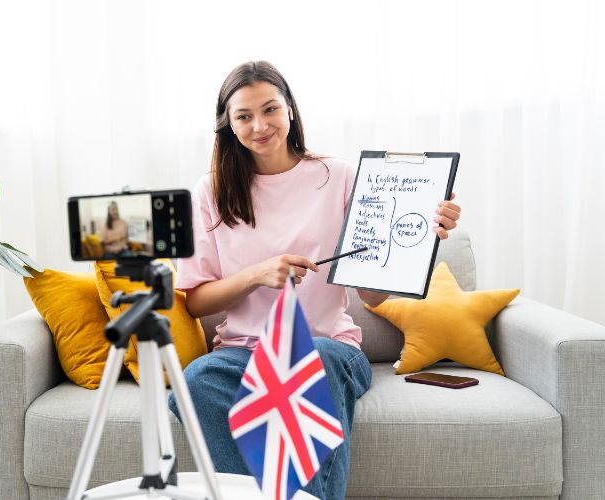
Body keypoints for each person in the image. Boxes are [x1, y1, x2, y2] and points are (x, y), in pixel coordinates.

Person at [168, 61, 461, 499]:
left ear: (290, 109)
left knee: (315, 359)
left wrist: (420, 241)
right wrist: (257, 274)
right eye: (244, 116)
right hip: (243, 356)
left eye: (270, 109)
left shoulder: (338, 176)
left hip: (330, 351)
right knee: (194, 383)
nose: (260, 125)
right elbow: (195, 302)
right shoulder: (210, 191)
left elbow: (371, 291)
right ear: (228, 125)